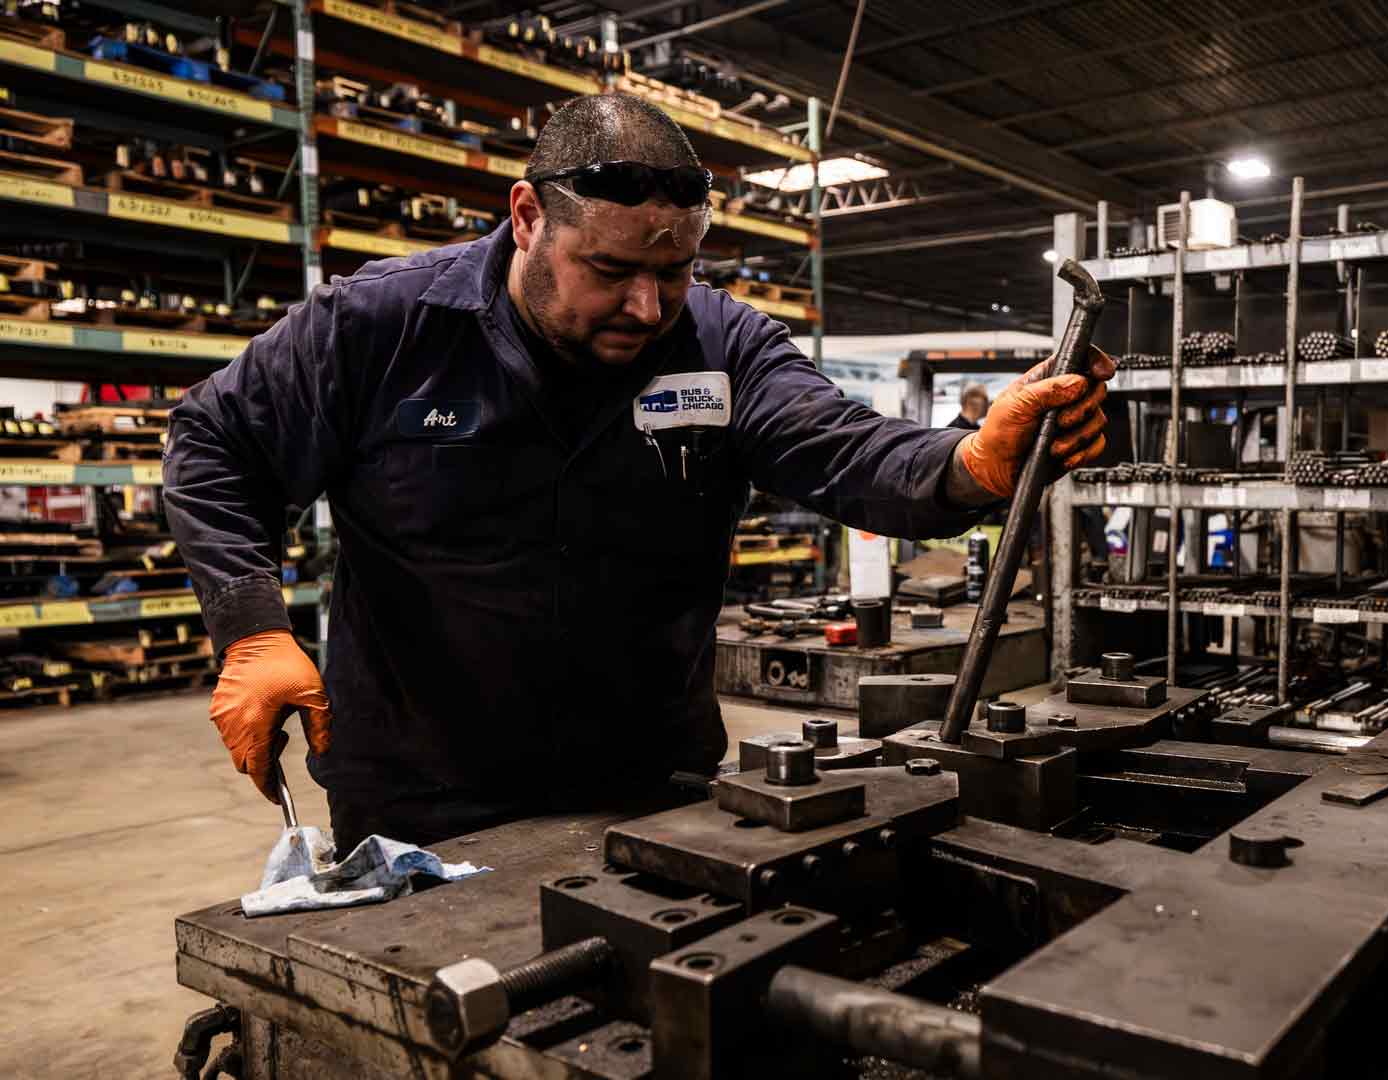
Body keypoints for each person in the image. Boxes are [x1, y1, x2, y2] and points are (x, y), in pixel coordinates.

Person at [163, 93, 1113, 851]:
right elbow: (214, 444)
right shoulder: (379, 328)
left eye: (679, 270)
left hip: (653, 786)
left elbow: (844, 446)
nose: (650, 304)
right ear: (529, 217)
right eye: (611, 270)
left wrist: (971, 459)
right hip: (423, 798)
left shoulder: (723, 344)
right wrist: (251, 628)